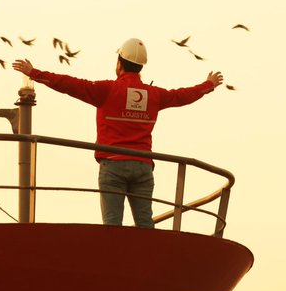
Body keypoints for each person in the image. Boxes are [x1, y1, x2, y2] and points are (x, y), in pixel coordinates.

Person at [13, 38, 222, 228]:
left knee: (113, 225)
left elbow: (69, 84)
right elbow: (183, 96)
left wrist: (34, 73)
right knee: (145, 224)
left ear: (119, 64)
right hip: (143, 166)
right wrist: (208, 85)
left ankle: (115, 262)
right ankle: (149, 264)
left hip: (113, 164)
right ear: (141, 67)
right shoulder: (154, 95)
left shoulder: (106, 90)